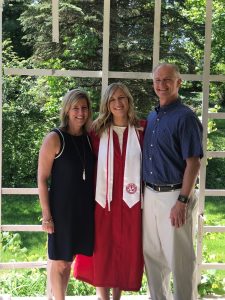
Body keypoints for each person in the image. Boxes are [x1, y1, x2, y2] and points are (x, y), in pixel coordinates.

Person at [74, 83, 144, 300]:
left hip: (130, 203)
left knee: (125, 248)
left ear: (129, 101)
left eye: (122, 98)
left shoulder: (142, 129)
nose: (118, 103)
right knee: (102, 248)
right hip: (102, 201)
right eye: (113, 100)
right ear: (107, 104)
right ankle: (102, 297)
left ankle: (116, 297)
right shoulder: (96, 131)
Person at [142, 62, 203, 300]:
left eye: (167, 80)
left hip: (174, 195)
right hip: (150, 194)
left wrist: (182, 201)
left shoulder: (185, 117)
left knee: (179, 260)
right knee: (153, 255)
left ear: (179, 82)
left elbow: (194, 163)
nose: (162, 85)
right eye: (157, 80)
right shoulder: (153, 115)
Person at [38, 89, 95, 300]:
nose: (80, 112)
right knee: (59, 260)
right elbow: (42, 179)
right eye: (75, 108)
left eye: (84, 108)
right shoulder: (55, 138)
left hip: (82, 209)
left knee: (68, 260)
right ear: (67, 110)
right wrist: (47, 216)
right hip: (61, 210)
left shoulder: (89, 139)